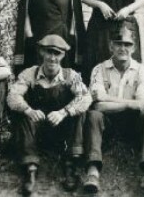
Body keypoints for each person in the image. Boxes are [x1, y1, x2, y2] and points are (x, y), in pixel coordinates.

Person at [7, 35, 91, 195]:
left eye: (57, 53)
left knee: (79, 112)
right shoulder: (29, 73)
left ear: (63, 55)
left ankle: (70, 165)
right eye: (48, 52)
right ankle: (30, 169)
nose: (52, 58)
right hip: (35, 130)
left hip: (62, 130)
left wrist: (64, 112)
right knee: (21, 114)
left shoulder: (71, 75)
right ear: (41, 52)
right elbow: (12, 96)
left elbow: (86, 97)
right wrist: (28, 110)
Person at [83, 27, 144, 194]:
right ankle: (93, 171)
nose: (122, 48)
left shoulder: (143, 71)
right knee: (94, 115)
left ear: (134, 48)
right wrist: (128, 104)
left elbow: (141, 104)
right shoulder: (99, 69)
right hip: (107, 124)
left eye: (127, 44)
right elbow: (98, 105)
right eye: (118, 44)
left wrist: (112, 101)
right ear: (111, 46)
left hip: (133, 124)